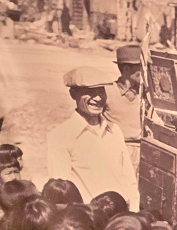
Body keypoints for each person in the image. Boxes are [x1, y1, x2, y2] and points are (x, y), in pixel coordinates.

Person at [47, 66, 139, 210]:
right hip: (88, 218)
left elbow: (129, 180)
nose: (97, 98)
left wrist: (132, 214)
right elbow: (63, 193)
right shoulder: (60, 136)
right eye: (89, 92)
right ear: (73, 94)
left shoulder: (115, 131)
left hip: (120, 217)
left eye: (101, 91)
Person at [103, 45, 144, 167]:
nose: (144, 71)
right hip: (115, 150)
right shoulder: (106, 91)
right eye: (140, 67)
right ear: (126, 69)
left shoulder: (146, 94)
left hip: (142, 151)